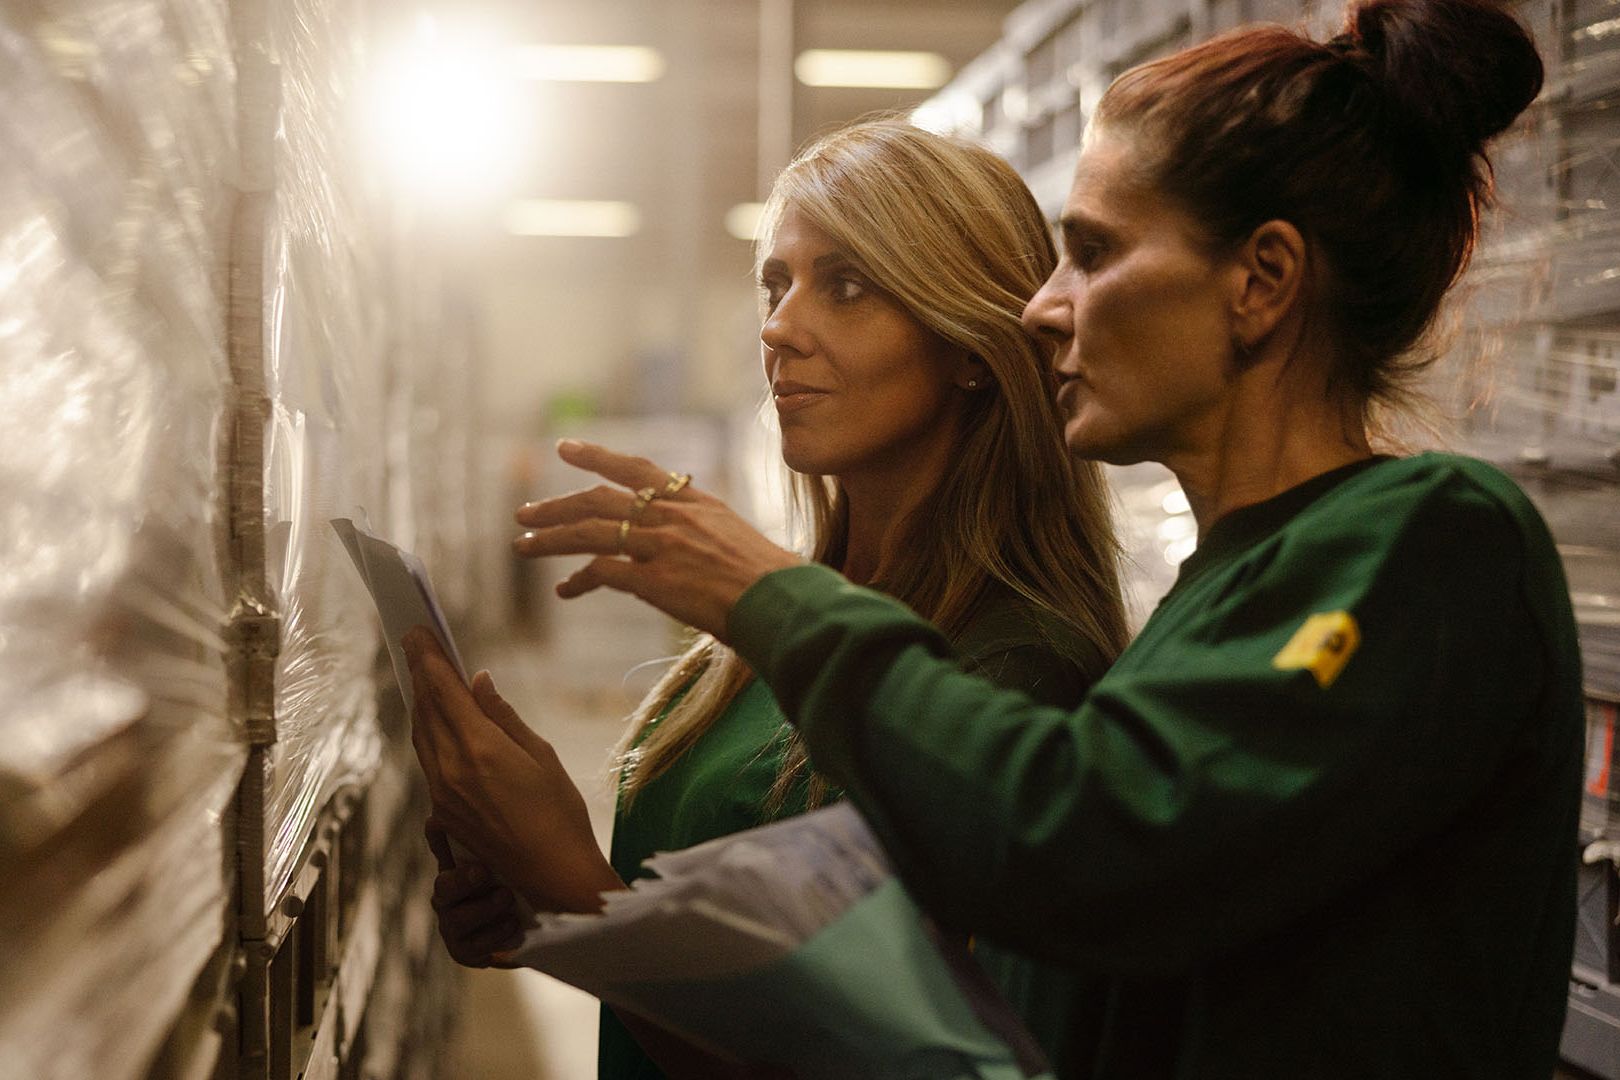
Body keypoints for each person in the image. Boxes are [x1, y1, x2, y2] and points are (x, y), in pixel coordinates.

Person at [458, 0, 1588, 1074]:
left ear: (1262, 282)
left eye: (1092, 254)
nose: (1043, 308)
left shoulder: (1436, 545)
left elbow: (1088, 841)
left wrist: (764, 596)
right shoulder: (1215, 600)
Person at [410, 120, 1131, 1079]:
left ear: (969, 346)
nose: (779, 328)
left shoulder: (1013, 670)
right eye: (774, 283)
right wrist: (540, 900)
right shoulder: (776, 627)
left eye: (845, 286)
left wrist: (569, 894)